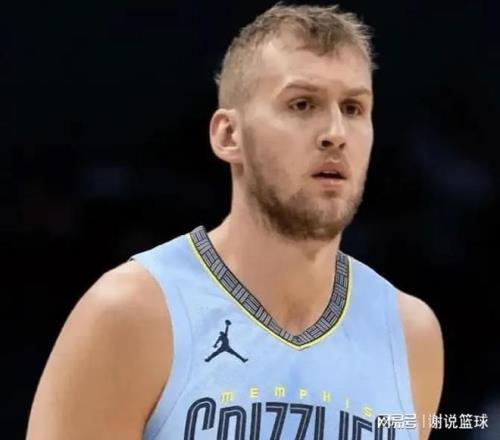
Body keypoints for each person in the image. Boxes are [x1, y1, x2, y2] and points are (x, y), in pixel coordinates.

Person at [27, 4, 444, 440]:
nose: (336, 133)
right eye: (302, 104)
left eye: (354, 108)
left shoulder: (410, 336)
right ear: (229, 135)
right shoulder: (131, 313)